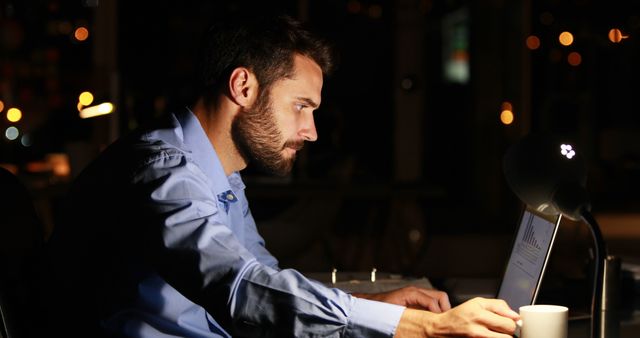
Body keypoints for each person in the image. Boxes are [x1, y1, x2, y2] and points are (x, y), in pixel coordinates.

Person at [43, 14, 520, 337]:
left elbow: (266, 282)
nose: (311, 131)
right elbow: (242, 289)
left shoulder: (221, 175)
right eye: (301, 107)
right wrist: (425, 328)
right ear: (243, 86)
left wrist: (382, 303)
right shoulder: (162, 172)